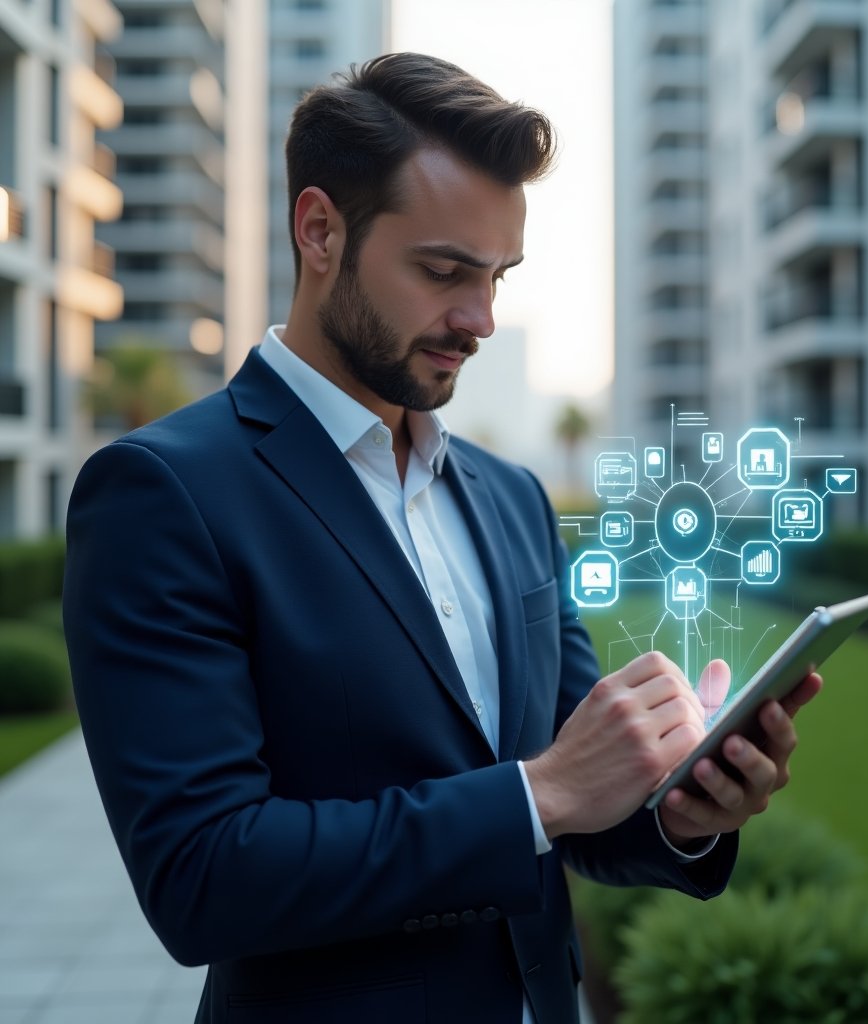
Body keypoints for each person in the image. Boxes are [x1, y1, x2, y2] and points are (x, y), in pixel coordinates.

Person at [63, 53, 820, 1024]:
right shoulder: (162, 493)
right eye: (443, 271)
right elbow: (203, 876)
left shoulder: (510, 497)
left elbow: (570, 798)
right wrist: (536, 795)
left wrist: (677, 810)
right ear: (319, 229)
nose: (481, 319)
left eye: (498, 276)